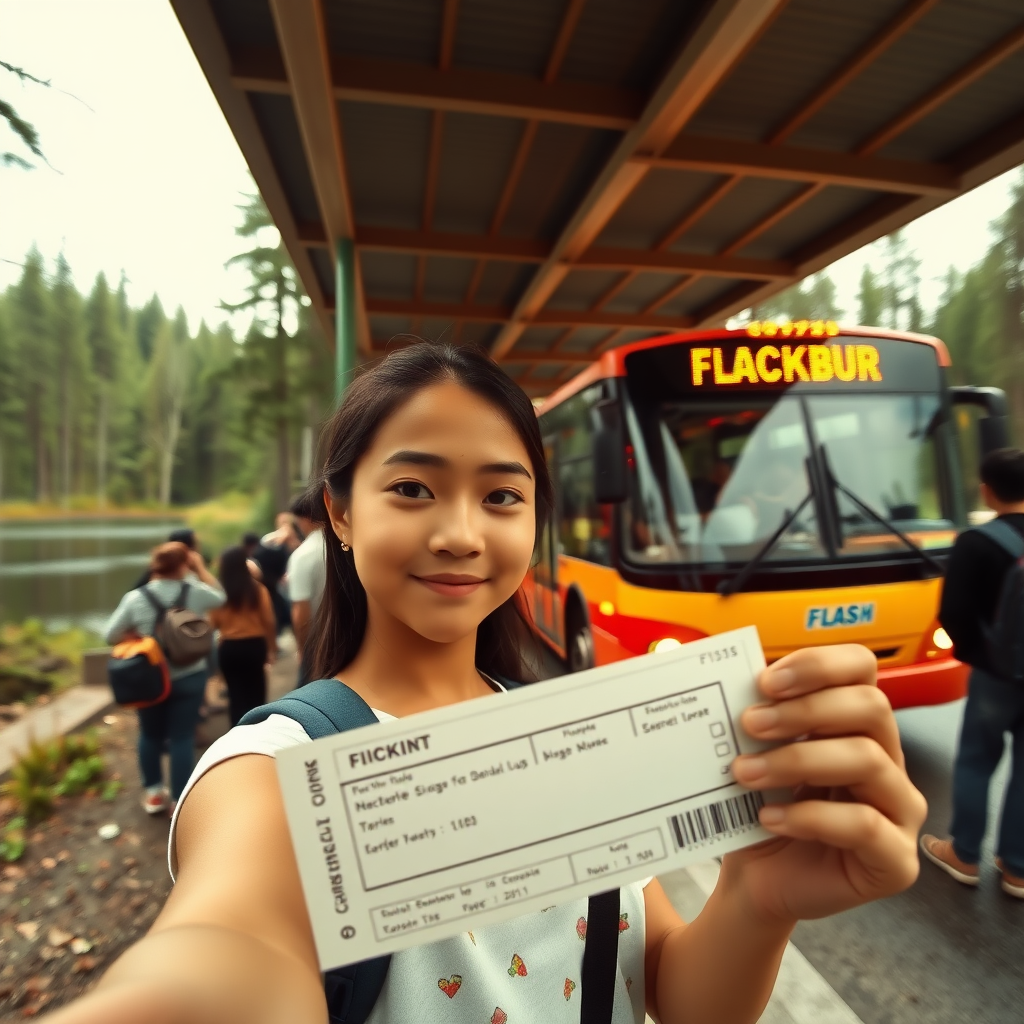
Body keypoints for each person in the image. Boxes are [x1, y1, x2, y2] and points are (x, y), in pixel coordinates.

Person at [53, 343, 924, 1024]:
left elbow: (678, 996)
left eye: (502, 496)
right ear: (342, 512)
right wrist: (180, 991)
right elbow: (228, 938)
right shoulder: (278, 766)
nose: (462, 533)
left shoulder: (568, 740)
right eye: (412, 488)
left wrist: (758, 898)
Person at [922, 447, 1024, 898]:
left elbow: (953, 613)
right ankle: (1018, 868)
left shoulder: (976, 544)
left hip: (996, 674)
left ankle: (964, 854)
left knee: (976, 760)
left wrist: (978, 653)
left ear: (987, 490)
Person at [104, 541, 225, 816]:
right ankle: (178, 803)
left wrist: (137, 636)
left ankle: (154, 795)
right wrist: (200, 569)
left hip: (150, 678)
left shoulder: (136, 597)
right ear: (184, 564)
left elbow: (110, 634)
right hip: (190, 675)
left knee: (149, 734)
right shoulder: (194, 590)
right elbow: (220, 598)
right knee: (182, 737)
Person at [208, 547, 277, 727]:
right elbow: (269, 621)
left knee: (235, 696)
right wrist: (271, 647)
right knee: (256, 694)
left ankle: (237, 735)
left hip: (229, 648)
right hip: (254, 646)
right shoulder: (257, 589)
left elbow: (212, 623)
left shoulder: (218, 592)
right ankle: (258, 735)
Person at [286, 491, 326, 685]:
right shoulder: (347, 547)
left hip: (317, 639)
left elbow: (301, 611)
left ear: (306, 519)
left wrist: (302, 647)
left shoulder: (303, 556)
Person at [251, 513, 301, 634]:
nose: (285, 526)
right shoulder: (270, 538)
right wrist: (280, 539)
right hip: (280, 583)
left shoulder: (298, 538)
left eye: (287, 523)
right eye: (282, 523)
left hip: (296, 578)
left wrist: (291, 540)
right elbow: (262, 553)